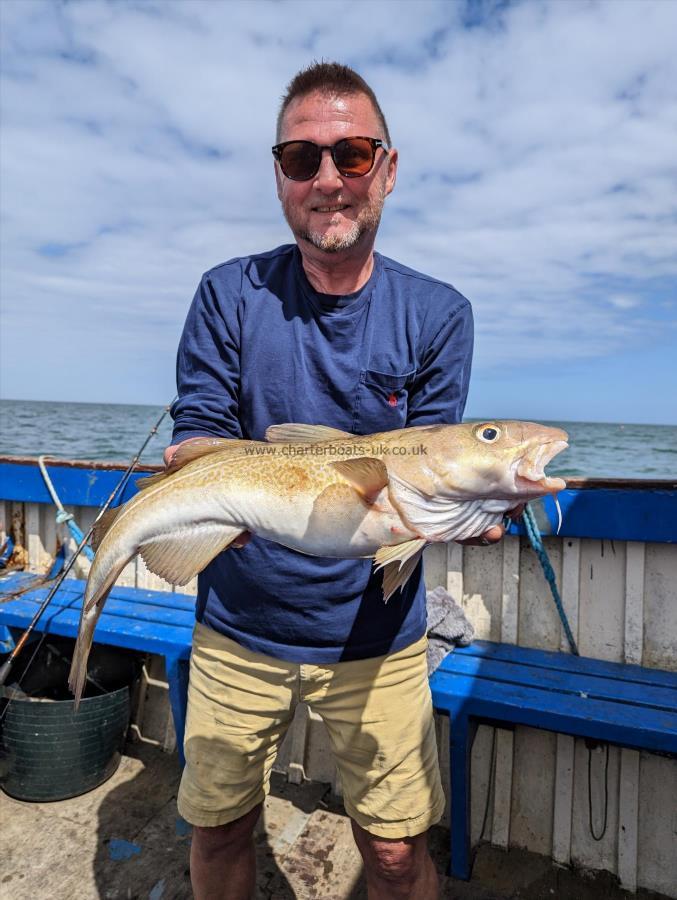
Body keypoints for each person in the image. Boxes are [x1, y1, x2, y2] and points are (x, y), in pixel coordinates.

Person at [167, 61, 507, 900]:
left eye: (351, 156)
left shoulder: (438, 314)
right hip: (238, 622)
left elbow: (428, 477)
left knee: (394, 853)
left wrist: (470, 509)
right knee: (217, 827)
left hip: (376, 636)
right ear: (279, 177)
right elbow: (198, 427)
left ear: (386, 170)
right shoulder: (226, 293)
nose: (328, 180)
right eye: (301, 159)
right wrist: (215, 488)